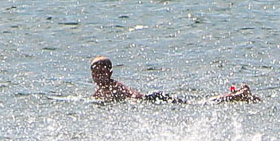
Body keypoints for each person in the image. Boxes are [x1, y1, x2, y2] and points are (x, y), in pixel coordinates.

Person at [89, 56, 259, 104]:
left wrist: (135, 101)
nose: (97, 75)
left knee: (199, 103)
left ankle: (238, 95)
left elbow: (132, 95)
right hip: (152, 99)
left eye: (100, 71)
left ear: (109, 72)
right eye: (94, 72)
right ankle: (237, 95)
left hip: (154, 99)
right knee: (198, 103)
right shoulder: (102, 91)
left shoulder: (114, 87)